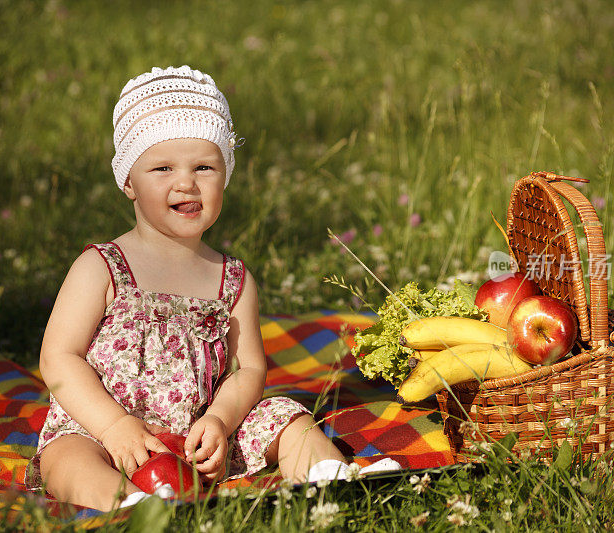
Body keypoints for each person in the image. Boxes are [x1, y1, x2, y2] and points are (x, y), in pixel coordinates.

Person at [24, 66, 395, 512]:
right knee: (65, 458)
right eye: (162, 167)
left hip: (199, 440)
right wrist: (113, 427)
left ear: (225, 177)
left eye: (204, 167)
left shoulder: (233, 279)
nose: (186, 182)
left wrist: (220, 420)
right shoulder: (102, 266)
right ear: (128, 182)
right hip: (104, 431)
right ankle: (130, 506)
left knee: (286, 415)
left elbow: (247, 370)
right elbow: (58, 356)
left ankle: (331, 479)